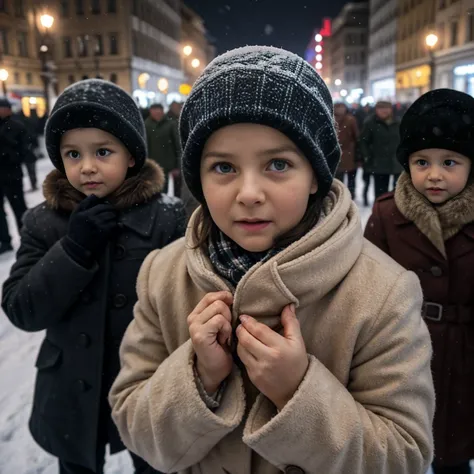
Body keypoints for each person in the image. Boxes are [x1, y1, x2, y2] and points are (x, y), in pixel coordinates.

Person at [108, 46, 435, 474]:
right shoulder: (163, 276)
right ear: (198, 179)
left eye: (278, 164)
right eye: (223, 167)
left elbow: (403, 457)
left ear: (316, 175)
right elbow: (134, 427)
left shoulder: (383, 293)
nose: (248, 193)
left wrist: (297, 392)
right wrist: (198, 377)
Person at [1, 79, 186, 474]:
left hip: (147, 383)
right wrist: (73, 248)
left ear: (132, 156)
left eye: (103, 151)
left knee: (155, 464)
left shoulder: (168, 217)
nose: (86, 167)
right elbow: (22, 309)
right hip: (70, 387)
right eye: (72, 154)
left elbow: (187, 299)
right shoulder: (44, 222)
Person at [364, 89, 474, 474]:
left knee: (455, 453)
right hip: (403, 352)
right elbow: (366, 288)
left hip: (465, 358)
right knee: (397, 448)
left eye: (450, 162)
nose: (434, 174)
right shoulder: (387, 215)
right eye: (421, 162)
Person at [0, 98, 29, 255]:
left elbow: (24, 150)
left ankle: (26, 239)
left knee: (19, 209)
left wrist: (9, 152)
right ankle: (5, 241)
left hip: (12, 175)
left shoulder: (17, 126)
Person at [359, 100, 402, 199]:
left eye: (387, 108)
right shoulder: (370, 123)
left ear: (391, 109)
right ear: (376, 110)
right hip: (378, 163)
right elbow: (363, 141)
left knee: (398, 192)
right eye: (381, 108)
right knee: (380, 192)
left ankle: (395, 212)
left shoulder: (398, 122)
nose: (384, 111)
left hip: (396, 162)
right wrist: (367, 155)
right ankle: (380, 212)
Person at [145, 103, 181, 196]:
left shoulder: (170, 124)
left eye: (159, 110)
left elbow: (177, 145)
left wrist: (178, 165)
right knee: (153, 190)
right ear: (150, 112)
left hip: (168, 163)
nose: (157, 113)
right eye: (154, 111)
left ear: (162, 111)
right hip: (152, 163)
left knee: (167, 190)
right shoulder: (146, 125)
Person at [334, 102, 359, 199]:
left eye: (342, 107)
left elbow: (356, 136)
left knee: (351, 177)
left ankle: (350, 195)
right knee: (338, 178)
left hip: (349, 152)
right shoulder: (331, 118)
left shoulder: (350, 119)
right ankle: (340, 196)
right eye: (337, 107)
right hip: (337, 152)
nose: (340, 109)